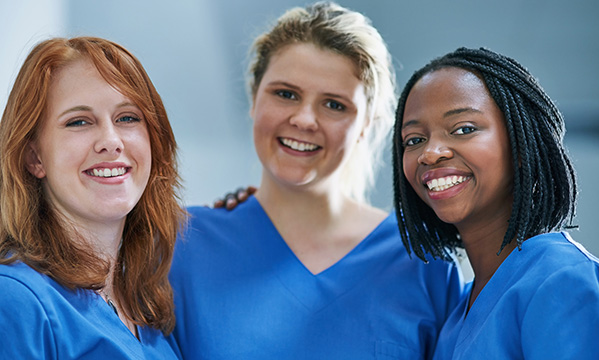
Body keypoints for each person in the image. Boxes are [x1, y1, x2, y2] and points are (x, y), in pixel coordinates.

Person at [169, 2, 463, 359]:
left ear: (366, 126)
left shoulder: (423, 264)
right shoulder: (177, 245)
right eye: (286, 94)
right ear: (254, 97)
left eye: (334, 105)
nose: (305, 119)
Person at [392, 47, 599, 359]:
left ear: (520, 144)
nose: (430, 153)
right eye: (414, 140)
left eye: (464, 129)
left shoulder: (560, 280)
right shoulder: (456, 316)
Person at [0, 36, 186, 359]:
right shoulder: (16, 300)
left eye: (127, 117)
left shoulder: (147, 309)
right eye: (79, 121)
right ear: (34, 157)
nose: (111, 141)